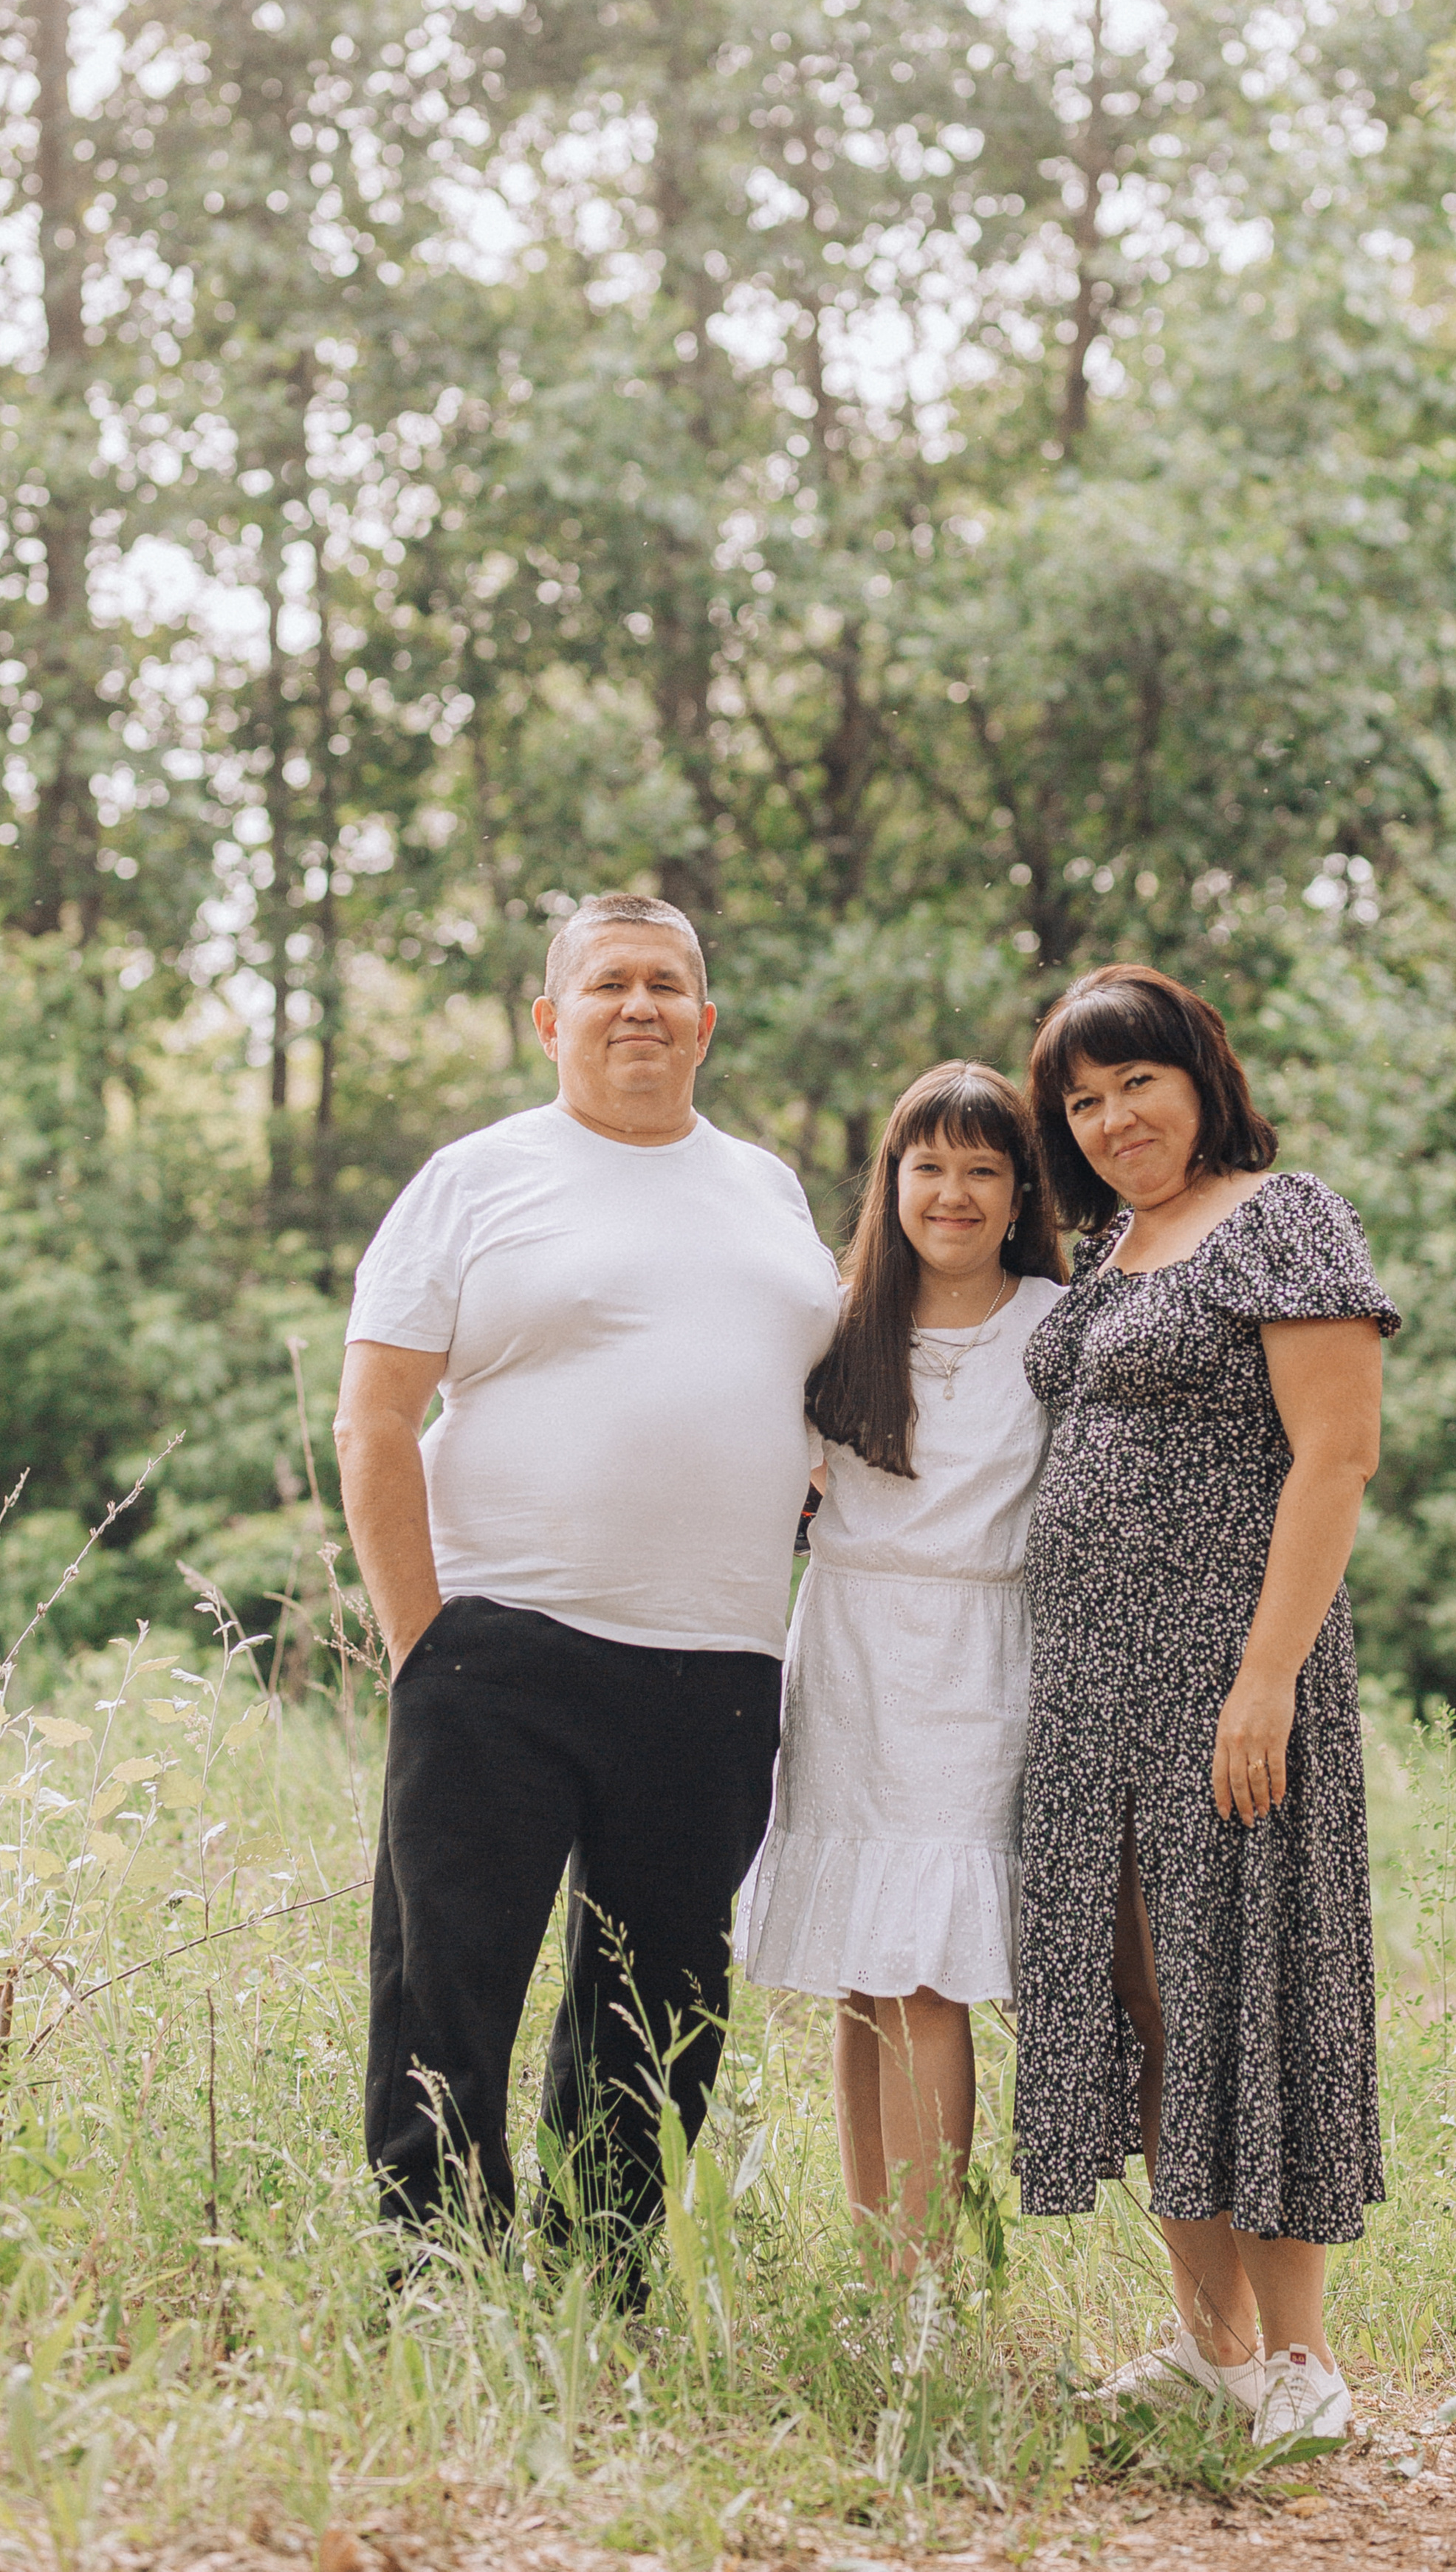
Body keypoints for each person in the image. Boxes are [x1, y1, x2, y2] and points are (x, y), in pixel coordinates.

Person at [334, 891, 838, 2271]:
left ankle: (599, 2275)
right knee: (452, 1987)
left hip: (722, 1666)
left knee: (663, 2000)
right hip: (501, 1645)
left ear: (706, 1022)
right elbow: (372, 1420)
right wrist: (419, 1646)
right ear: (552, 1019)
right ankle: (434, 2271)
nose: (641, 1007)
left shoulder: (768, 1190)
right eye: (610, 983)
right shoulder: (478, 1176)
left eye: (668, 985)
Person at [1014, 964, 1399, 2444]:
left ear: (1198, 1076)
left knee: (1251, 1987)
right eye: (1084, 1099)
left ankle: (1299, 2364)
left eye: (1137, 1084)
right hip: (1086, 1689)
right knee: (1146, 2002)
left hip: (1224, 1672)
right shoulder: (1113, 1246)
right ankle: (1208, 2348)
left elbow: (1334, 1455)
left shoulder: (1280, 1212)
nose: (1113, 1118)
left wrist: (1263, 1678)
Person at [739, 1063, 1065, 2274]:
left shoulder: (1052, 1324)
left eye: (983, 1168)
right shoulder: (840, 1319)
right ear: (894, 1180)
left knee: (928, 1967)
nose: (955, 1192)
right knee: (863, 1972)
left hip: (976, 1658)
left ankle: (926, 2276)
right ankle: (878, 2265)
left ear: (1021, 1187)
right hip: (846, 1651)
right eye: (929, 1165)